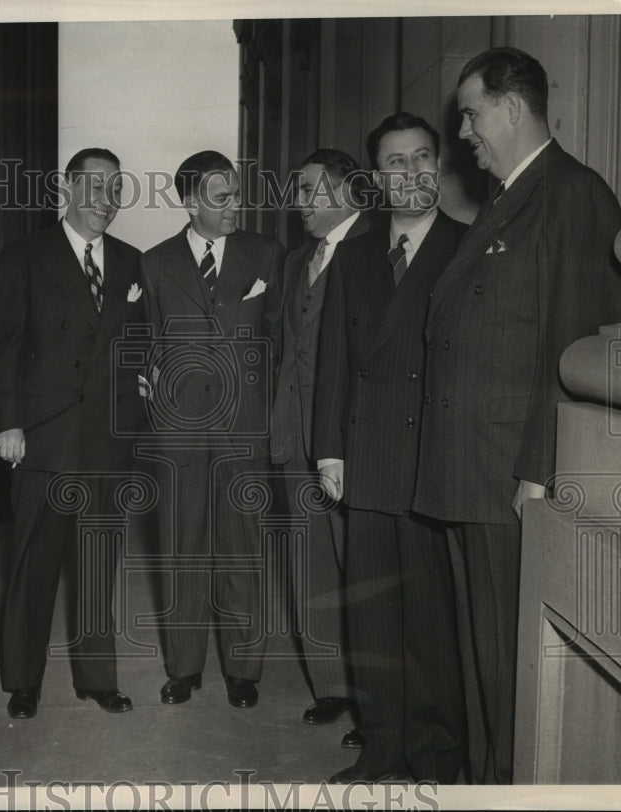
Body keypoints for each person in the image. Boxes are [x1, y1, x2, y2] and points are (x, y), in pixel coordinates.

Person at [411, 47, 621, 784]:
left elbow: (570, 347)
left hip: (512, 477)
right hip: (471, 468)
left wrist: (538, 473)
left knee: (509, 668)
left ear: (510, 106)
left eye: (471, 113)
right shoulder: (509, 198)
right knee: (484, 663)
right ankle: (482, 785)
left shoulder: (571, 195)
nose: (464, 132)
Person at [316, 113, 468, 784]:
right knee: (372, 618)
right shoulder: (353, 255)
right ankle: (380, 748)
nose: (411, 173)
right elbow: (335, 360)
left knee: (431, 621)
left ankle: (435, 756)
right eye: (396, 163)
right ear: (377, 179)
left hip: (434, 460)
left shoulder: (469, 245)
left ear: (439, 164)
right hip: (368, 458)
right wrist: (329, 450)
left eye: (423, 157)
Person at [0, 148, 146, 719]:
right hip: (43, 440)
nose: (109, 198)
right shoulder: (24, 257)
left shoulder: (131, 263)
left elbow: (139, 344)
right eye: (98, 186)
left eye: (118, 188)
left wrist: (144, 381)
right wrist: (8, 423)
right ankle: (24, 681)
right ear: (69, 189)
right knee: (34, 564)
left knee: (99, 565)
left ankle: (97, 679)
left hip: (107, 443)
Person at [140, 150, 284, 709]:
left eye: (236, 194)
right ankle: (184, 668)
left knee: (242, 551)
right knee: (181, 548)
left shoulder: (266, 254)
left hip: (244, 429)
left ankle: (243, 670)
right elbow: (150, 344)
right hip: (178, 432)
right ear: (191, 201)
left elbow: (276, 342)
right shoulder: (155, 263)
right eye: (221, 198)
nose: (234, 206)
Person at [269, 149, 368, 729]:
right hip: (292, 437)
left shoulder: (377, 250)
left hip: (349, 442)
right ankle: (330, 685)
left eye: (309, 191)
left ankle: (372, 695)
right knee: (310, 567)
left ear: (345, 193)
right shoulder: (295, 261)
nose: (298, 203)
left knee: (360, 568)